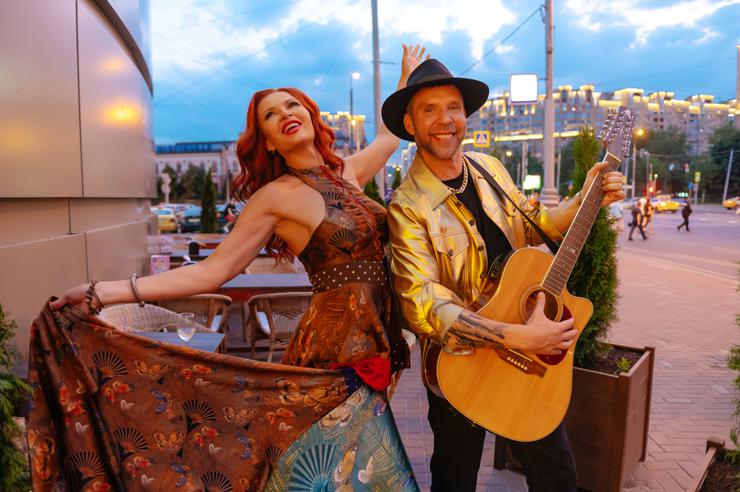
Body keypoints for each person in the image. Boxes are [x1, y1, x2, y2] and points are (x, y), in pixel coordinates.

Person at [44, 45, 432, 491]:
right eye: (271, 115)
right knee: (341, 471)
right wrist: (102, 292)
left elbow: (388, 136)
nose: (285, 114)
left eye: (292, 105)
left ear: (310, 116)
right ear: (268, 141)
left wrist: (406, 81)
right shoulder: (275, 197)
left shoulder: (346, 173)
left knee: (345, 471)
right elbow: (211, 272)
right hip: (334, 351)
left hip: (379, 339)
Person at [383, 59, 625, 492]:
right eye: (429, 109)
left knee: (558, 476)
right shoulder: (407, 205)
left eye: (453, 107)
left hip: (526, 356)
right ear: (410, 123)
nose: (445, 120)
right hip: (461, 366)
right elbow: (422, 304)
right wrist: (519, 338)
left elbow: (535, 225)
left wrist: (587, 196)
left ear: (465, 115)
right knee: (456, 480)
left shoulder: (488, 169)